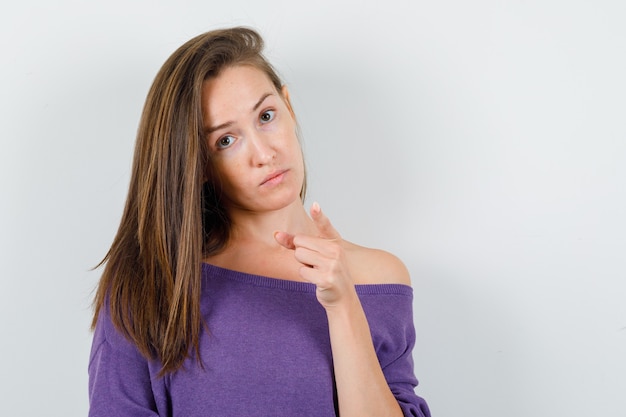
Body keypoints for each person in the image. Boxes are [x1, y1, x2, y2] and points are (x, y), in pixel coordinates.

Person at [88, 27, 431, 417]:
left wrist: (344, 306)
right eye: (226, 141)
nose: (264, 153)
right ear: (197, 164)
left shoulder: (380, 277)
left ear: (289, 106)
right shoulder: (153, 281)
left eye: (266, 116)